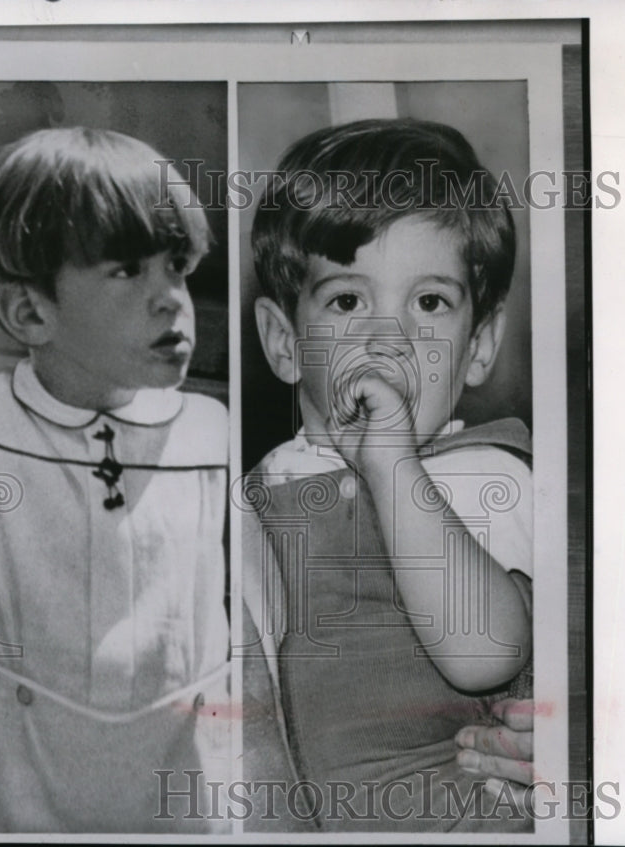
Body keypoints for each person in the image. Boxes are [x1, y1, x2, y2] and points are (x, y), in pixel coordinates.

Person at [240, 118, 536, 831]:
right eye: (347, 300)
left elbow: (484, 653)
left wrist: (392, 464)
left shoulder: (484, 473)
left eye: (429, 302)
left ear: (480, 345)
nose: (388, 337)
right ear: (284, 343)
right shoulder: (264, 484)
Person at [0, 127, 230, 833]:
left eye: (178, 266)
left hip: (181, 799)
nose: (172, 300)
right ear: (30, 311)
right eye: (129, 270)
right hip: (13, 798)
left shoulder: (210, 430)